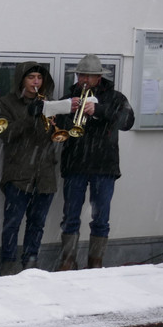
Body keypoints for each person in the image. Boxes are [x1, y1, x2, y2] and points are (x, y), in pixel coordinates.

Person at [55, 54, 134, 270]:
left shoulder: (115, 97)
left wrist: (98, 110)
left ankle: (95, 262)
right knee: (70, 217)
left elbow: (128, 121)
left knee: (100, 219)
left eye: (89, 76)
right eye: (81, 75)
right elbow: (58, 127)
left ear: (99, 77)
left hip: (104, 166)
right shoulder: (69, 97)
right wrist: (64, 112)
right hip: (75, 165)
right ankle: (68, 261)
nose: (84, 80)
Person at [0, 62, 72, 275]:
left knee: (37, 224)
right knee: (12, 224)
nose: (36, 82)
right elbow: (6, 134)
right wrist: (30, 116)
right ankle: (8, 267)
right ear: (22, 80)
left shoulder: (49, 102)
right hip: (18, 174)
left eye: (39, 77)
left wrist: (60, 116)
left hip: (45, 174)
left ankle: (31, 264)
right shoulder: (7, 102)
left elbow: (58, 134)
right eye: (31, 77)